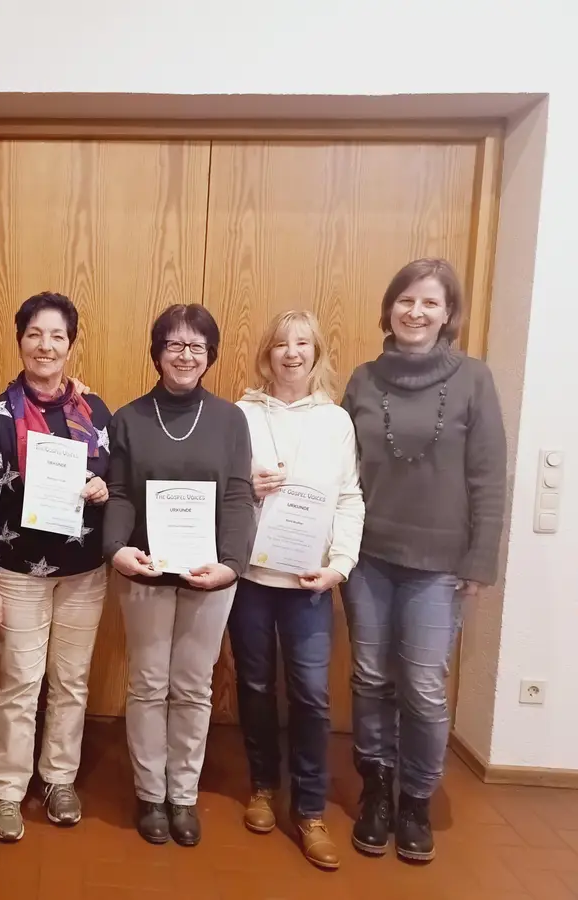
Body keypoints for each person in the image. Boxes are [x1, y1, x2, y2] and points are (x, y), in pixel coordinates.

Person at [340, 258, 506, 863]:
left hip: (440, 564)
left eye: (430, 303)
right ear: (388, 308)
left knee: (425, 686)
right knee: (371, 679)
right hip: (367, 557)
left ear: (448, 314)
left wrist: (480, 560)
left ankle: (416, 799)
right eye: (406, 300)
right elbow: (337, 471)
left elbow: (489, 478)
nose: (416, 312)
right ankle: (376, 790)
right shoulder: (361, 380)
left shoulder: (474, 380)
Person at [103, 303, 256, 848]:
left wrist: (232, 565)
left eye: (197, 346)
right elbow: (119, 493)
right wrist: (115, 549)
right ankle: (149, 793)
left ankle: (183, 795)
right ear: (157, 352)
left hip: (208, 574)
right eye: (175, 344)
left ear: (210, 355)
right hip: (143, 572)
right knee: (146, 685)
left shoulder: (229, 419)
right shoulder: (129, 417)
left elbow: (239, 496)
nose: (186, 355)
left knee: (192, 688)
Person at [0, 292, 112, 843]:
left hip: (83, 572)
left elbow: (115, 477)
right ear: (20, 339)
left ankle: (58, 779)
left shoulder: (95, 411)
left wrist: (103, 486)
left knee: (71, 682)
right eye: (35, 334)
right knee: (20, 683)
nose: (45, 346)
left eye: (57, 336)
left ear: (70, 344)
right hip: (20, 572)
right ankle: (6, 789)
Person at [229, 310, 364, 869]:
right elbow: (223, 493)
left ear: (316, 352)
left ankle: (309, 809)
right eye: (281, 343)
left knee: (311, 695)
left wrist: (342, 565)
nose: (291, 352)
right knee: (256, 686)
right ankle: (263, 786)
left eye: (302, 343)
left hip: (311, 582)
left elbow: (351, 497)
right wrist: (248, 489)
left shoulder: (337, 421)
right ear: (267, 353)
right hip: (252, 582)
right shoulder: (240, 415)